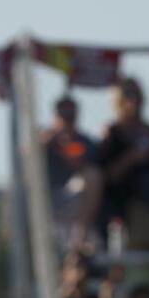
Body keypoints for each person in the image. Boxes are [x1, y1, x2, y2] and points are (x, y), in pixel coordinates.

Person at [97, 78, 149, 249]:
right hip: (119, 200)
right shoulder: (111, 133)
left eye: (137, 96)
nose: (133, 101)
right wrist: (132, 157)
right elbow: (108, 176)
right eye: (127, 95)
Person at [42, 94, 102, 251]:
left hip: (73, 198)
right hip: (44, 199)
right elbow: (24, 155)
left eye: (71, 116)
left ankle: (79, 240)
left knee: (92, 175)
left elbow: (80, 162)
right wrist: (46, 143)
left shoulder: (83, 141)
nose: (67, 120)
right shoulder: (43, 139)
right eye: (63, 116)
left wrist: (66, 146)